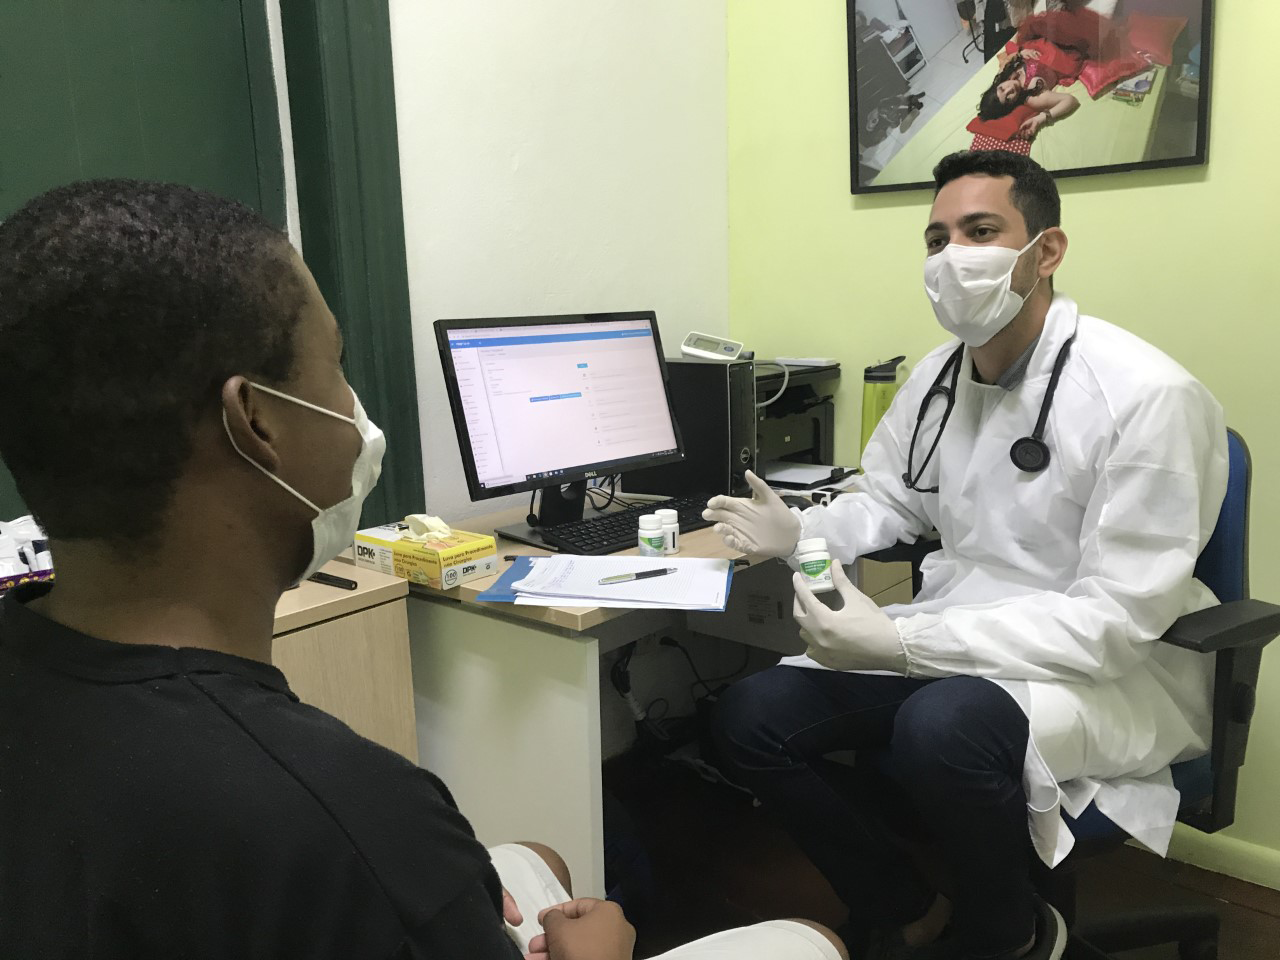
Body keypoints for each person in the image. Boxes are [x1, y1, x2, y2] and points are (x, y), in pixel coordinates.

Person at [0, 180, 848, 960]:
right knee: (809, 941)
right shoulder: (355, 815)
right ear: (256, 420)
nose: (354, 410)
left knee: (540, 857)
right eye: (335, 365)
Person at [702, 151, 1226, 960]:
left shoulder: (1147, 395)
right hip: (964, 632)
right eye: (937, 238)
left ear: (1046, 251)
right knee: (749, 716)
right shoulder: (939, 378)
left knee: (940, 727)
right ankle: (908, 905)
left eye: (981, 232)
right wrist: (801, 534)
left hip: (1103, 672)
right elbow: (891, 499)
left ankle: (1009, 935)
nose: (953, 258)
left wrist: (905, 640)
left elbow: (1114, 624)